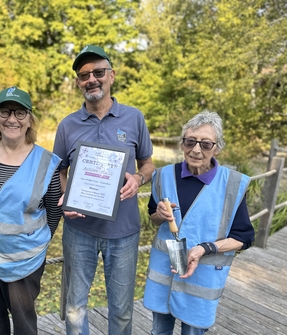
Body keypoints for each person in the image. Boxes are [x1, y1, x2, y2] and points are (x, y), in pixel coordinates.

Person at [53, 45, 155, 335]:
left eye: (98, 72)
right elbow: (59, 169)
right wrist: (66, 198)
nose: (91, 79)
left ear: (111, 76)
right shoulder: (67, 125)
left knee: (121, 310)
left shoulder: (133, 118)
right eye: (84, 75)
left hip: (123, 233)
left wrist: (138, 179)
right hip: (78, 230)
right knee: (75, 306)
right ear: (78, 82)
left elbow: (148, 164)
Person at [0, 86, 62, 335]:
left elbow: (53, 211)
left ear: (29, 119)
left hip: (22, 259)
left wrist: (35, 240)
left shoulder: (46, 161)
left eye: (20, 112)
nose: (12, 119)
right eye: (5, 111)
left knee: (24, 322)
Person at [143, 111, 255, 334]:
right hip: (164, 279)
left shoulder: (232, 184)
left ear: (217, 147)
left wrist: (206, 248)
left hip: (201, 283)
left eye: (205, 144)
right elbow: (153, 218)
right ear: (182, 144)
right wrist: (159, 214)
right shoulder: (163, 175)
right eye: (190, 141)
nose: (196, 149)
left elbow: (244, 238)